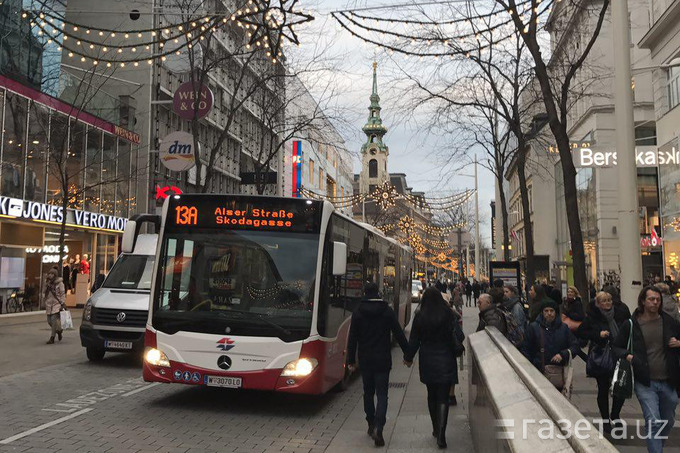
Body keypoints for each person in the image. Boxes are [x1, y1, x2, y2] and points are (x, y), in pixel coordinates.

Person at [613, 286, 680, 453]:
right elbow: (616, 347)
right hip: (645, 382)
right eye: (651, 299)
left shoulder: (669, 321)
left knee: (668, 421)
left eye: (657, 300)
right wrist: (627, 355)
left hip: (669, 381)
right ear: (643, 301)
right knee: (654, 421)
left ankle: (656, 444)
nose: (655, 302)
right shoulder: (631, 324)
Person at [347, 283, 410, 447]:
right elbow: (398, 333)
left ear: (364, 293)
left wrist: (351, 361)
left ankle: (370, 422)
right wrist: (408, 355)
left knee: (368, 393)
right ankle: (379, 427)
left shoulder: (358, 312)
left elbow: (352, 337)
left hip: (366, 360)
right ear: (378, 293)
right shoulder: (386, 311)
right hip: (382, 359)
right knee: (382, 394)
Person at [404, 287, 464, 449]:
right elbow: (460, 335)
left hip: (428, 358)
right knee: (443, 397)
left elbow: (414, 340)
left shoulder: (420, 316)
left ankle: (436, 428)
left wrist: (408, 358)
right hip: (446, 357)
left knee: (431, 395)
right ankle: (442, 435)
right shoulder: (448, 314)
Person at [576, 291, 630, 431]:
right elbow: (581, 332)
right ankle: (605, 419)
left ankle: (615, 414)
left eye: (609, 300)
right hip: (602, 356)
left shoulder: (620, 313)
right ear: (598, 303)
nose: (607, 303)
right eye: (604, 301)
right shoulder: (592, 317)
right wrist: (597, 335)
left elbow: (629, 329)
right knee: (603, 389)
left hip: (619, 354)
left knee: (620, 387)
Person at [522, 300, 580, 390]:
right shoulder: (534, 328)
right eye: (546, 311)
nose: (549, 313)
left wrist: (563, 355)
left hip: (558, 374)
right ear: (542, 312)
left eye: (551, 311)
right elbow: (526, 349)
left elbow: (575, 346)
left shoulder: (563, 328)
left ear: (556, 312)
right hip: (538, 372)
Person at [43, 266, 66, 344]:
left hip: (57, 304)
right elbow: (44, 292)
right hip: (49, 304)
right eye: (50, 274)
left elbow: (62, 294)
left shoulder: (60, 283)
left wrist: (62, 303)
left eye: (52, 274)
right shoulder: (48, 283)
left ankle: (52, 337)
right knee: (49, 321)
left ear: (55, 275)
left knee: (53, 320)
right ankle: (59, 331)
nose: (50, 275)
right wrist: (46, 285)